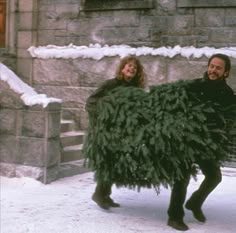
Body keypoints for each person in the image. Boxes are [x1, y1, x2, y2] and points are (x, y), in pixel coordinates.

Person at [167, 53, 236, 231]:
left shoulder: (227, 94)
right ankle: (174, 217)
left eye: (218, 68)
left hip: (206, 144)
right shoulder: (195, 86)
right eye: (211, 66)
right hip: (187, 140)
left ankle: (195, 202)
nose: (213, 70)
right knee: (182, 177)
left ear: (225, 72)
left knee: (214, 176)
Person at [85, 55, 146, 210]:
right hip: (108, 131)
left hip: (124, 133)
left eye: (134, 67)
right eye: (129, 65)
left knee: (114, 162)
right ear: (122, 68)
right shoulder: (111, 84)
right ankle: (99, 194)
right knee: (108, 162)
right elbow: (91, 101)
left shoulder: (136, 89)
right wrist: (103, 117)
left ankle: (105, 195)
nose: (131, 68)